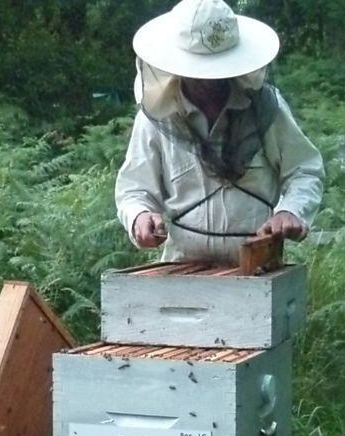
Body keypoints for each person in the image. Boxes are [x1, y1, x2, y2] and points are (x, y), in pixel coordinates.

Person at [115, 0, 324, 264]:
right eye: (199, 70)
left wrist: (290, 211)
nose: (209, 80)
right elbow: (135, 189)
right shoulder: (158, 115)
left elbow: (304, 170)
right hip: (182, 266)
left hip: (259, 265)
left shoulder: (266, 108)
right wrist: (140, 217)